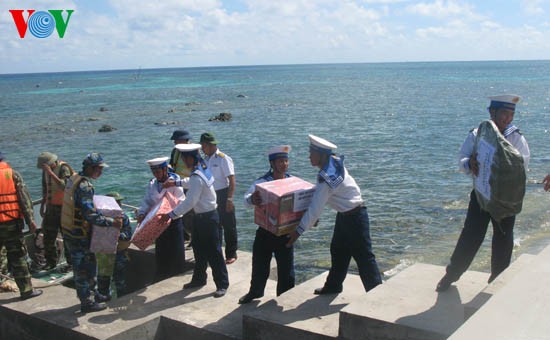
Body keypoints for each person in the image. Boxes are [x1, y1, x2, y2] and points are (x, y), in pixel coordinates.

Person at [436, 95, 531, 292]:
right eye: (504, 113)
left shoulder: (516, 138)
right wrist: (469, 163)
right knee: (471, 236)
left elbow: (523, 166)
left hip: (506, 199)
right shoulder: (477, 134)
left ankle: (497, 280)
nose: (507, 118)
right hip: (480, 196)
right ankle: (452, 274)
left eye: (511, 114)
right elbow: (461, 160)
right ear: (492, 112)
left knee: (503, 239)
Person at [287, 135, 383, 295]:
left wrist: (298, 231)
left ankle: (376, 295)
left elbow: (316, 208)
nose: (309, 156)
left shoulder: (327, 178)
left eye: (311, 152)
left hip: (355, 218)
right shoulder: (333, 164)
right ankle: (333, 286)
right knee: (338, 251)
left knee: (364, 259)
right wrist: (311, 218)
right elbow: (319, 199)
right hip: (345, 215)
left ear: (322, 155)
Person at [161, 143, 229, 298]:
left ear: (192, 158)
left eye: (186, 158)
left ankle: (222, 284)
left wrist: (171, 215)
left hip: (208, 218)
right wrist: (176, 182)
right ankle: (199, 279)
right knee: (199, 250)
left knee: (214, 253)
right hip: (201, 217)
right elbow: (191, 182)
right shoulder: (201, 169)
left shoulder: (197, 175)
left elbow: (190, 201)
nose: (184, 161)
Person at [61, 153, 123, 313]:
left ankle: (93, 294)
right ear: (91, 168)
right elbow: (90, 215)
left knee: (83, 266)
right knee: (84, 269)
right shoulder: (85, 187)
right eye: (99, 169)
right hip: (79, 235)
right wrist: (112, 223)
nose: (101, 173)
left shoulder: (73, 179)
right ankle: (87, 302)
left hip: (69, 231)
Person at [239, 145, 296, 304]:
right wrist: (253, 200)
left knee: (286, 269)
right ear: (272, 163)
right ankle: (255, 292)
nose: (284, 164)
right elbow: (245, 200)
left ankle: (285, 297)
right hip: (265, 231)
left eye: (286, 161)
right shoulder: (262, 182)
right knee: (259, 265)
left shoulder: (293, 182)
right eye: (280, 161)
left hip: (285, 232)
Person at [0, 151, 43, 300]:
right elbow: (24, 200)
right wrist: (30, 220)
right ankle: (26, 290)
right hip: (11, 223)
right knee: (17, 256)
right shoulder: (12, 174)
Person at [137, 157, 186, 282]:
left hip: (173, 221)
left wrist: (170, 214)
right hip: (158, 223)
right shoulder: (153, 183)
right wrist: (142, 213)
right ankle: (161, 275)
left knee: (176, 251)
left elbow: (181, 202)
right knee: (161, 251)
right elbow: (147, 201)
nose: (156, 175)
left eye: (158, 172)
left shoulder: (174, 181)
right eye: (154, 172)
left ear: (165, 169)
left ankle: (177, 276)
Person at [200, 132, 238, 264]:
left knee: (229, 225)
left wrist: (230, 199)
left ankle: (231, 253)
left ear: (209, 145)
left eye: (203, 146)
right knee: (215, 226)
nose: (202, 148)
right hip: (211, 195)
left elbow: (232, 181)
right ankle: (217, 254)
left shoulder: (223, 158)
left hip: (224, 193)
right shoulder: (204, 160)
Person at [36, 151, 74, 271]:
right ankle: (51, 262)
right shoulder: (45, 172)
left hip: (64, 208)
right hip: (51, 208)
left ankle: (71, 263)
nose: (43, 169)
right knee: (48, 236)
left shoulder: (63, 168)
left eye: (44, 166)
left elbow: (65, 185)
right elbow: (45, 188)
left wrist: (51, 173)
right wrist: (43, 205)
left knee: (67, 237)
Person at [96, 192, 133, 299]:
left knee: (120, 281)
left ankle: (122, 299)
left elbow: (128, 234)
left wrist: (117, 236)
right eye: (116, 202)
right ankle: (104, 297)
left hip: (119, 253)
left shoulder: (123, 217)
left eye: (119, 202)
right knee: (103, 279)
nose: (119, 205)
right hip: (104, 253)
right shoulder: (100, 217)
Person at [169, 129, 194, 242]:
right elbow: (172, 164)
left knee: (191, 213)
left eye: (176, 140)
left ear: (183, 140)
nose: (174, 142)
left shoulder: (193, 152)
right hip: (177, 185)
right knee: (179, 211)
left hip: (190, 186)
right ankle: (185, 236)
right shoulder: (176, 151)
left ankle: (194, 237)